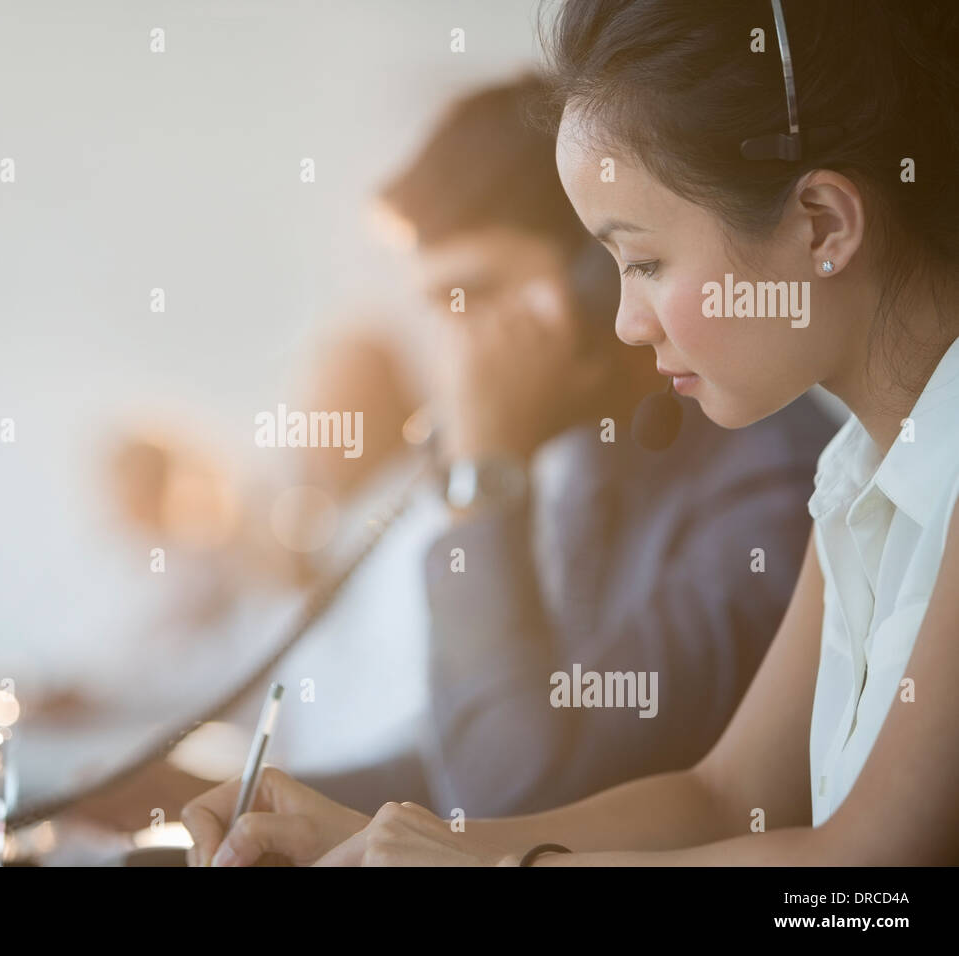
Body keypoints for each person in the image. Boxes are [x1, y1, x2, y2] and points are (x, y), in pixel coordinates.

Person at [181, 0, 959, 865]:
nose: (629, 321)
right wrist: (379, 836)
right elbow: (724, 794)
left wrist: (504, 867)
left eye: (648, 263)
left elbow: (871, 881)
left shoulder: (804, 482)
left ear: (822, 225)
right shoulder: (857, 478)